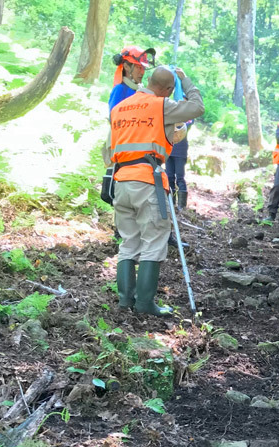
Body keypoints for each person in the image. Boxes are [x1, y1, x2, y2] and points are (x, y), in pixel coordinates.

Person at [110, 66, 204, 316]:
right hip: (148, 181)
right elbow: (197, 107)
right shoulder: (161, 105)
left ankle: (124, 301)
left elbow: (114, 148)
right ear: (169, 90)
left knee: (129, 242)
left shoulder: (119, 108)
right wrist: (187, 79)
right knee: (153, 241)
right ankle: (144, 305)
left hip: (121, 181)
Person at [108, 46, 155, 113]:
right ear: (126, 66)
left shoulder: (140, 90)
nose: (142, 72)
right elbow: (114, 118)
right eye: (138, 67)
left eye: (143, 68)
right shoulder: (120, 89)